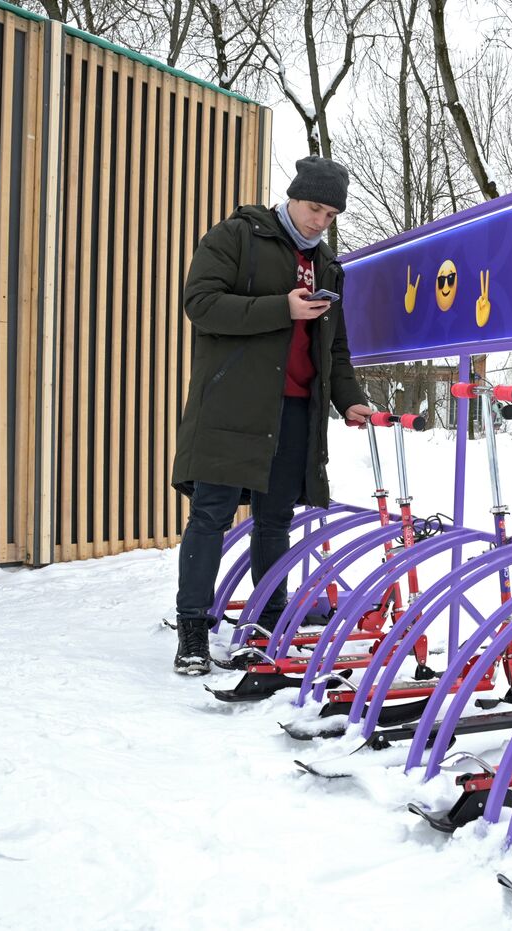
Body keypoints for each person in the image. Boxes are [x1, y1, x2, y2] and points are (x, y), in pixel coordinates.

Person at [169, 156, 373, 675]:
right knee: (210, 517)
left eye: (330, 214)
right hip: (230, 405)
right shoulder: (237, 235)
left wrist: (347, 398)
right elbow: (201, 305)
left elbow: (336, 347)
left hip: (296, 411)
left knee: (275, 522)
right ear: (292, 197)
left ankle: (265, 626)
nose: (319, 221)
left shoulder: (327, 266)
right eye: (313, 208)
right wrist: (280, 307)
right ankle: (192, 630)